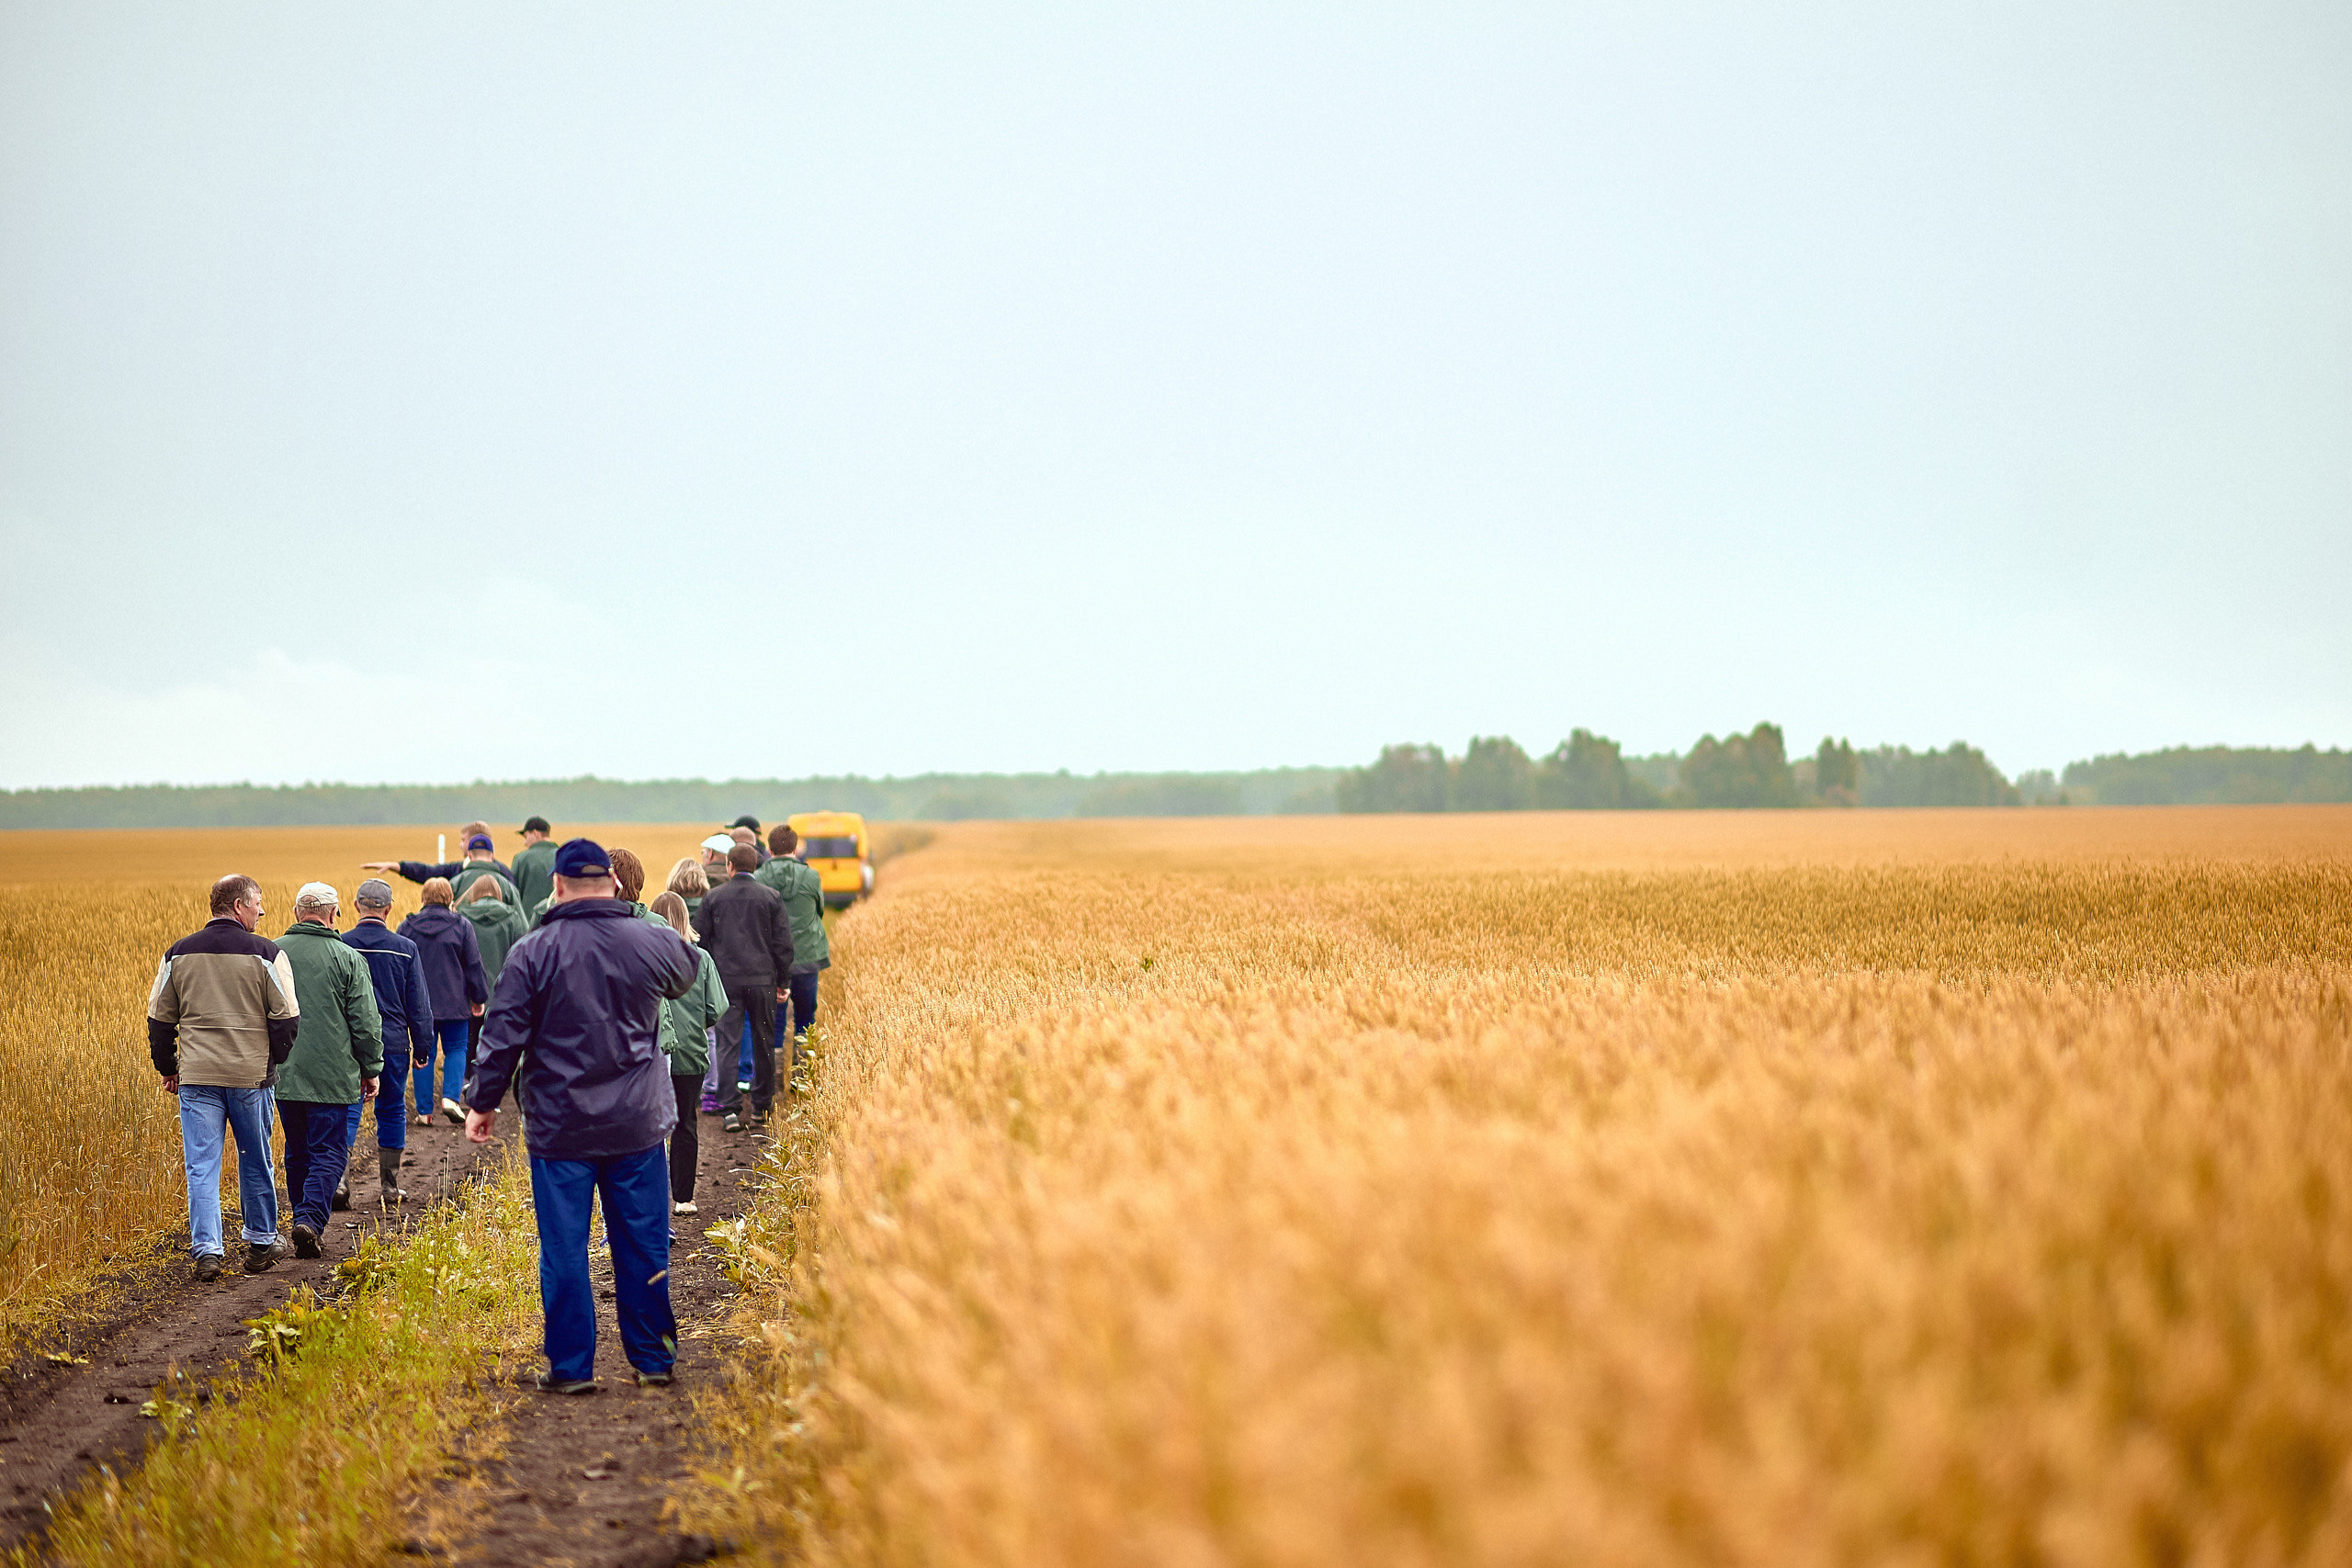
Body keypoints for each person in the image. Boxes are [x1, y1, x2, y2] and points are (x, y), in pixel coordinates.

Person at [464, 838, 698, 1393]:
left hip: (560, 1126)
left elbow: (502, 1036)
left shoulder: (534, 950)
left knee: (565, 1248)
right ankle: (654, 1360)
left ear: (559, 886)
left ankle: (571, 1369)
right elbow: (686, 973)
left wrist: (483, 1102)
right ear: (615, 885)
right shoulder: (648, 939)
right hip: (637, 1124)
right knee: (644, 1243)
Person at [147, 874, 297, 1280]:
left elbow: (160, 1020)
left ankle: (208, 1252)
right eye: (257, 904)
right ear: (238, 907)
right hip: (250, 1076)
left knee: (201, 1165)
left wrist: (169, 1068)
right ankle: (262, 1241)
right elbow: (287, 1019)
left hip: (197, 1078)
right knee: (255, 1159)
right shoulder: (267, 953)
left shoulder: (177, 954)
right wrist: (272, 1062)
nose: (262, 911)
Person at [274, 884, 384, 1258]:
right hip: (333, 1076)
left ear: (295, 913)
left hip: (283, 1074)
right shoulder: (348, 958)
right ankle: (309, 1219)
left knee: (297, 1150)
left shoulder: (272, 954)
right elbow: (366, 1023)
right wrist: (371, 1068)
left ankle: (301, 1219)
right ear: (334, 914)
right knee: (331, 1151)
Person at [345, 877, 435, 1203]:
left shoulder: (342, 945)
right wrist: (422, 1047)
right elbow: (419, 1005)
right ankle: (389, 1184)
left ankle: (339, 1182)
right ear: (389, 909)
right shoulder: (405, 948)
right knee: (393, 1108)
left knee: (348, 1109)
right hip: (393, 1043)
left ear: (356, 906)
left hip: (349, 1045)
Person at [694, 844, 792, 1132]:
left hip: (727, 982)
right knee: (763, 1042)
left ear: (729, 866)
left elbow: (701, 941)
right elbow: (783, 944)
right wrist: (783, 982)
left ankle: (730, 1111)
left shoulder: (714, 897)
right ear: (756, 866)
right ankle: (762, 1106)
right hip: (762, 981)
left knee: (727, 1044)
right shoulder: (771, 897)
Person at [650, 891, 726, 1215]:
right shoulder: (701, 959)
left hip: (650, 1055)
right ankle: (683, 1198)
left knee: (649, 1129)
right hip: (691, 1053)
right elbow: (716, 1008)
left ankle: (650, 1199)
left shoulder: (646, 958)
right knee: (685, 1122)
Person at [399, 877, 489, 1127]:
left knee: (422, 1053)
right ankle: (450, 1099)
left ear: (423, 898)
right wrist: (479, 998)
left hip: (418, 1006)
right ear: (449, 898)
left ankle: (424, 1112)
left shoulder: (407, 926)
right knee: (457, 1049)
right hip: (455, 1004)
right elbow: (473, 964)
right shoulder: (462, 926)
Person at [755, 825, 831, 1072]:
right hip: (807, 955)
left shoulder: (759, 878)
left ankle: (774, 1080)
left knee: (774, 1021)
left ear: (769, 849)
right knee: (805, 1018)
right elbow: (819, 909)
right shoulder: (811, 876)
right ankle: (802, 1077)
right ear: (796, 848)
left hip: (770, 960)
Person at [458, 876, 529, 1068]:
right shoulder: (513, 917)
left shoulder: (462, 916)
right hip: (503, 992)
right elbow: (522, 953)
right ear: (498, 893)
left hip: (470, 993)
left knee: (469, 1041)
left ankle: (468, 1078)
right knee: (499, 1041)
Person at [362, 821, 514, 894]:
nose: (460, 845)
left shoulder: (459, 872)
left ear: (476, 841)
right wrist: (398, 866)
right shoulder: (504, 873)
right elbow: (427, 873)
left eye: (463, 840)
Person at [510, 816, 559, 911]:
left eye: (526, 836)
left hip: (528, 921)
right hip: (557, 919)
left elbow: (513, 895)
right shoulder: (562, 855)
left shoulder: (521, 859)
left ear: (535, 833)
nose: (525, 842)